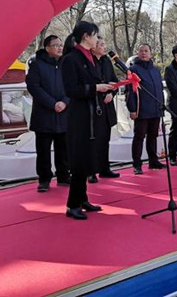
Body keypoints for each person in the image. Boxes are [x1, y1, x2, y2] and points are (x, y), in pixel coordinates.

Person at [61, 21, 115, 220]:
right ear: (85, 36)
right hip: (80, 115)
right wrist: (95, 88)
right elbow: (71, 89)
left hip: (93, 113)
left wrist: (104, 86)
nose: (97, 40)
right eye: (95, 36)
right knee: (80, 159)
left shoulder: (91, 57)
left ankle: (82, 198)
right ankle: (72, 204)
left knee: (88, 157)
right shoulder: (71, 59)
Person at [26, 35, 71, 193]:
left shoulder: (66, 64)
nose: (59, 48)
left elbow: (72, 85)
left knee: (63, 149)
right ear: (47, 48)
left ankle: (64, 176)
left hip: (64, 113)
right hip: (44, 115)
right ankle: (44, 179)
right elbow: (34, 87)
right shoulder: (37, 65)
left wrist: (65, 101)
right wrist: (53, 104)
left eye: (60, 45)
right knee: (43, 150)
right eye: (55, 45)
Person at [126, 44, 165, 175]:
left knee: (153, 137)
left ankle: (153, 161)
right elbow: (130, 92)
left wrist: (161, 107)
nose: (143, 53)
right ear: (138, 53)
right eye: (141, 51)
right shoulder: (133, 70)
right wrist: (132, 109)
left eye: (146, 51)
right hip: (141, 110)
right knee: (139, 137)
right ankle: (137, 164)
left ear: (151, 53)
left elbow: (159, 89)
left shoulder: (155, 70)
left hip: (155, 109)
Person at [87, 36, 120, 183]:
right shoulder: (88, 61)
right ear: (93, 47)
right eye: (101, 44)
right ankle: (91, 171)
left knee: (105, 139)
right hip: (93, 104)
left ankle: (104, 168)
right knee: (92, 140)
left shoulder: (106, 61)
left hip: (107, 104)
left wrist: (111, 93)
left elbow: (114, 81)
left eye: (105, 44)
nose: (104, 47)